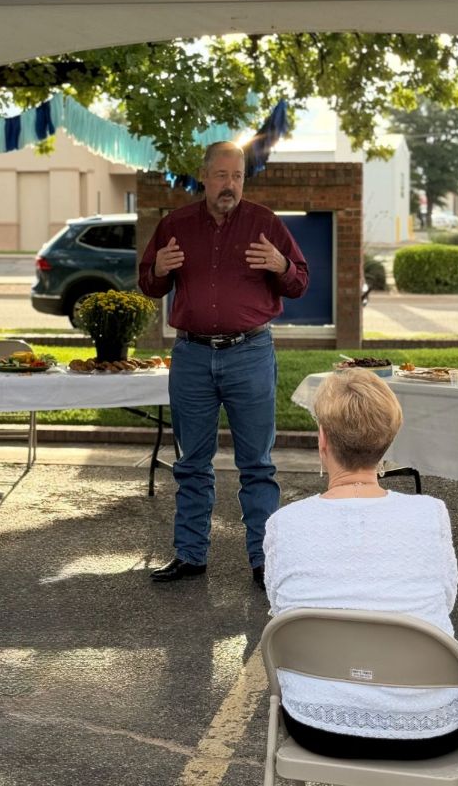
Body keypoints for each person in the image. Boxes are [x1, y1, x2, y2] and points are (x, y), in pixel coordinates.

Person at [264, 367, 458, 759]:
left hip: (317, 724)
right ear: (388, 442)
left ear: (322, 440)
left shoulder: (284, 524)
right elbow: (442, 601)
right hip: (431, 725)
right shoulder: (430, 514)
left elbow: (281, 611)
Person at [138, 141, 309, 588]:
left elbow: (299, 283)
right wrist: (156, 268)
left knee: (257, 464)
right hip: (192, 356)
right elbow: (149, 286)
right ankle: (190, 555)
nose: (230, 184)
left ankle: (264, 560)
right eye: (221, 175)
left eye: (237, 177)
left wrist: (280, 264)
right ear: (204, 176)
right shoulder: (175, 225)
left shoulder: (265, 224)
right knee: (192, 462)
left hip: (249, 354)